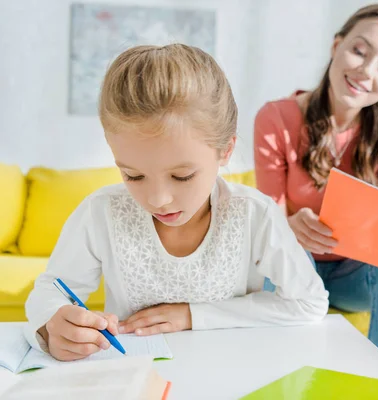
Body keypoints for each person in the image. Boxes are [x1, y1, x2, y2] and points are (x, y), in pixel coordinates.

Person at [24, 44, 328, 362]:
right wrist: (52, 324)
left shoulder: (254, 214)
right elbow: (51, 291)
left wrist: (193, 316)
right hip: (135, 377)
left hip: (231, 372)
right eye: (133, 176)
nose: (157, 199)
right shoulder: (101, 212)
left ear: (225, 151)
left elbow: (309, 303)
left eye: (182, 176)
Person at [254, 3, 378, 374]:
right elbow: (266, 219)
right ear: (336, 47)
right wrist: (288, 223)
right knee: (278, 261)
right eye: (359, 51)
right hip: (294, 267)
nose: (365, 71)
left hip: (353, 277)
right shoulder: (277, 118)